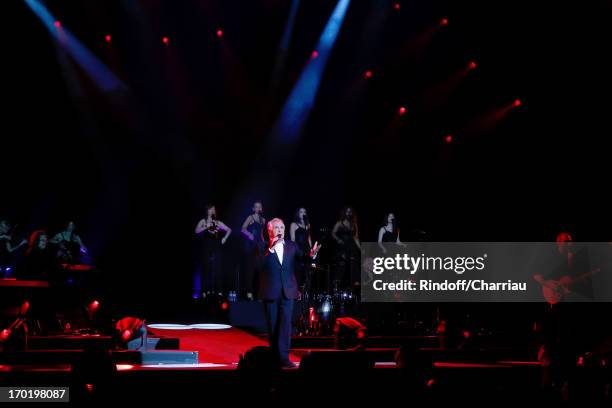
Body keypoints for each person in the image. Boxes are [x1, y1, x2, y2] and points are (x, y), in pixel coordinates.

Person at [256, 218, 320, 367]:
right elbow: (258, 265)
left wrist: (311, 255)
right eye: (276, 227)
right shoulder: (262, 246)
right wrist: (270, 249)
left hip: (288, 292)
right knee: (273, 327)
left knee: (285, 326)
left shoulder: (291, 246)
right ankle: (273, 359)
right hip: (270, 292)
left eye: (282, 228)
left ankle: (284, 358)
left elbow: (303, 259)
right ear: (270, 230)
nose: (280, 230)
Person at [194, 205, 231, 297]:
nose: (213, 211)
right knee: (206, 269)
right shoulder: (204, 221)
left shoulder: (218, 222)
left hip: (216, 246)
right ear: (207, 211)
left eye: (214, 209)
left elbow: (229, 229)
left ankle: (219, 291)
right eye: (211, 209)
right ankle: (204, 291)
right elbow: (196, 231)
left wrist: (225, 238)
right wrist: (206, 227)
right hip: (206, 246)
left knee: (217, 268)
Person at [240, 201, 266, 299]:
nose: (258, 208)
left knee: (260, 270)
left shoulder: (263, 220)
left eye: (260, 206)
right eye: (256, 206)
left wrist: (264, 244)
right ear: (253, 208)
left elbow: (261, 234)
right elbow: (242, 229)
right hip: (251, 245)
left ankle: (260, 292)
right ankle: (249, 292)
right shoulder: (250, 217)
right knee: (250, 269)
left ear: (261, 209)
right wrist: (249, 234)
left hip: (259, 245)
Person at [331, 207, 361, 289]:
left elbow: (356, 238)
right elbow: (333, 233)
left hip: (352, 247)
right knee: (341, 267)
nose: (348, 213)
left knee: (354, 267)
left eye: (350, 211)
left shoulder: (354, 224)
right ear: (344, 213)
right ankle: (336, 286)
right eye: (347, 211)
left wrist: (360, 248)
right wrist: (338, 239)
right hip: (342, 247)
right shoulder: (339, 223)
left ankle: (355, 288)